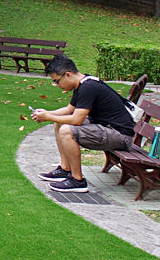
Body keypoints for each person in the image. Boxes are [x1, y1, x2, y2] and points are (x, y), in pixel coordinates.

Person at [30, 55, 136, 193]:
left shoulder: (88, 87)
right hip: (108, 128)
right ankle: (65, 168)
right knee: (60, 124)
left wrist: (48, 117)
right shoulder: (83, 83)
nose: (57, 85)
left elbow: (76, 120)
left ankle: (77, 180)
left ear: (67, 74)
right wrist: (48, 113)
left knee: (66, 130)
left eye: (57, 81)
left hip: (120, 135)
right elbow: (69, 110)